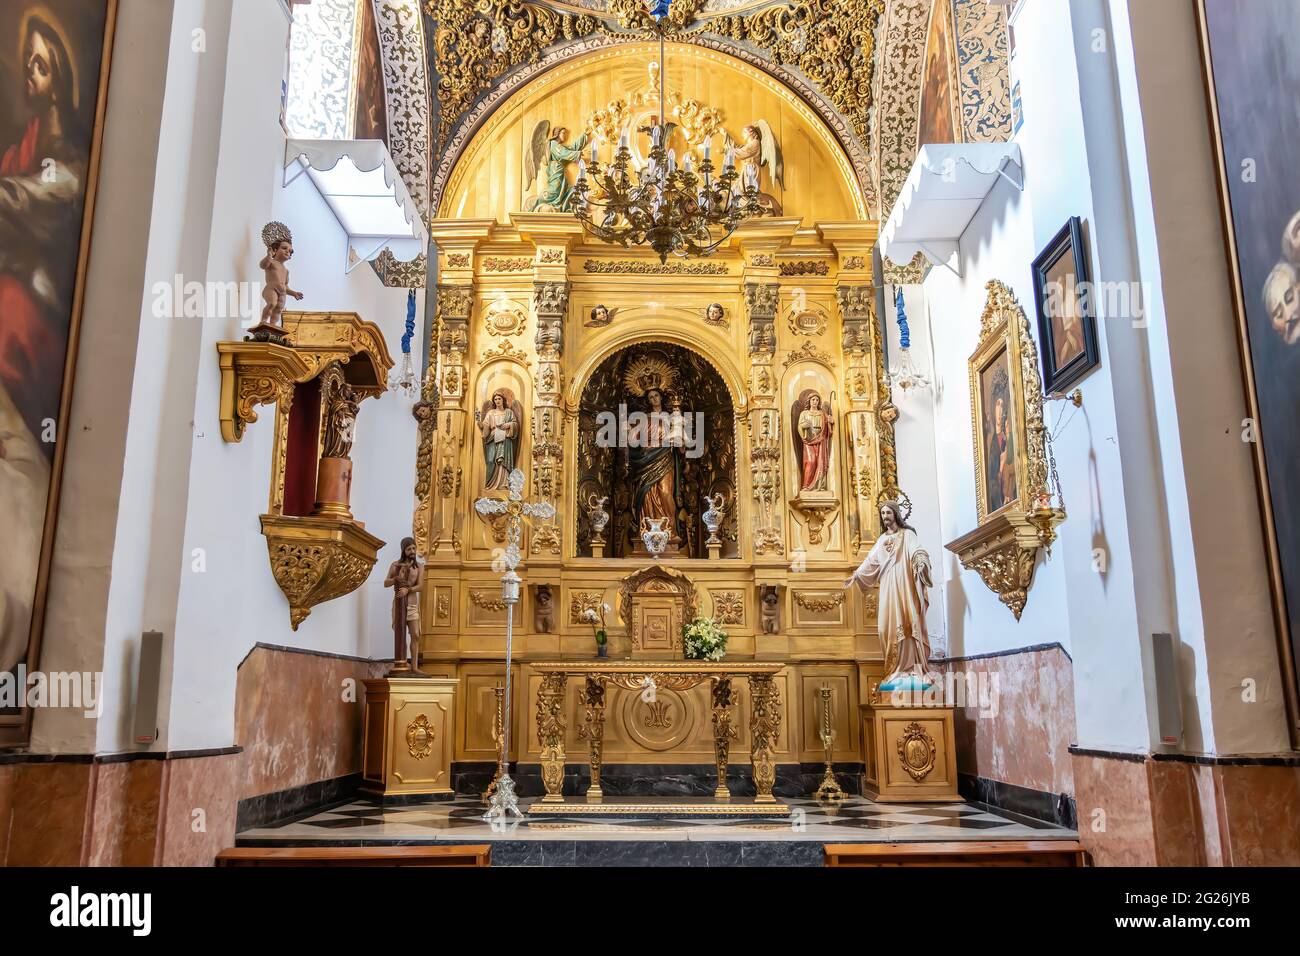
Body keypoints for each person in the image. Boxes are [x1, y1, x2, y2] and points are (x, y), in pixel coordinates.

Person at [844, 502, 933, 690]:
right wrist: (857, 575)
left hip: (905, 584)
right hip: (888, 586)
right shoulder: (882, 539)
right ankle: (895, 669)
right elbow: (871, 561)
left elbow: (919, 551)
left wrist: (920, 561)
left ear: (896, 514)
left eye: (888, 512)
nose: (885, 515)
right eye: (883, 512)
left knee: (908, 621)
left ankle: (911, 668)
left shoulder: (907, 535)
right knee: (887, 627)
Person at [385, 537, 422, 673]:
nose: (412, 551)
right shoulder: (395, 565)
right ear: (403, 550)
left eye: (413, 548)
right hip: (399, 605)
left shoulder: (419, 567)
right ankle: (402, 663)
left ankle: (415, 667)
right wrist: (395, 578)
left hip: (412, 604)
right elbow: (385, 583)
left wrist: (409, 589)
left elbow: (421, 586)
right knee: (400, 635)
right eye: (409, 549)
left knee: (415, 635)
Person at [477, 391, 518, 490]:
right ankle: (491, 484)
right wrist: (479, 423)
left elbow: (515, 424)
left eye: (499, 399)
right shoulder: (491, 413)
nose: (497, 401)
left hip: (505, 439)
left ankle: (504, 484)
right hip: (493, 438)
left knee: (503, 462)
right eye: (495, 399)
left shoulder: (509, 412)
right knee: (491, 461)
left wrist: (508, 425)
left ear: (503, 400)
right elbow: (486, 426)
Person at [797, 393, 832, 492]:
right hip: (808, 439)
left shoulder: (822, 413)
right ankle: (806, 485)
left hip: (821, 439)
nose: (815, 402)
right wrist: (804, 426)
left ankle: (819, 485)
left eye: (817, 400)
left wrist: (830, 421)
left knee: (819, 461)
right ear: (809, 401)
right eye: (813, 400)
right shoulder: (804, 413)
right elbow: (799, 426)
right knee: (811, 461)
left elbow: (828, 429)